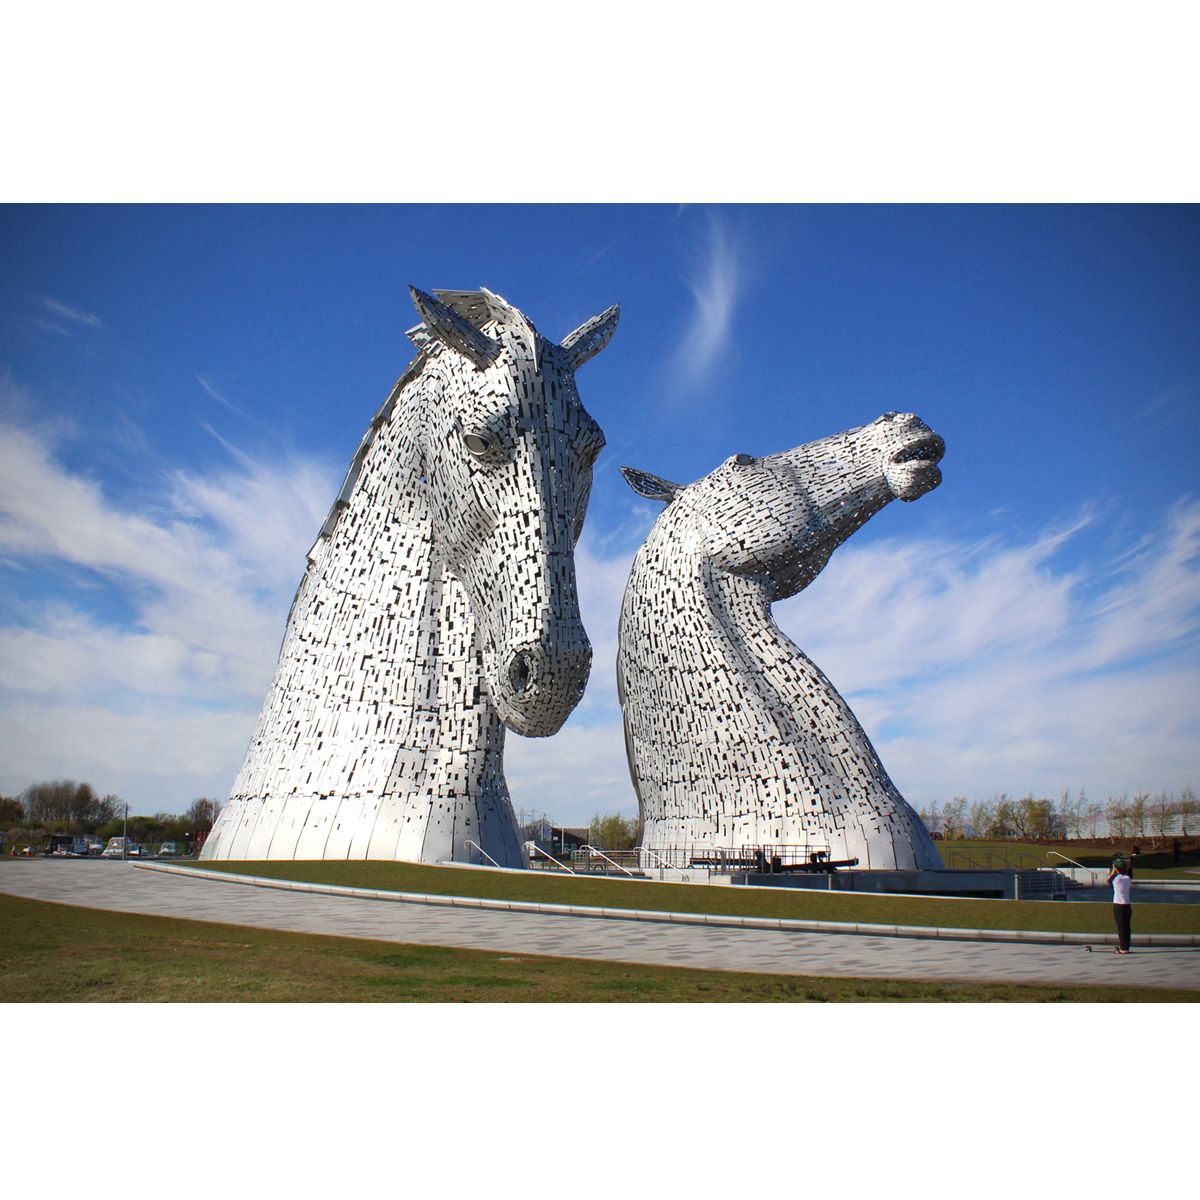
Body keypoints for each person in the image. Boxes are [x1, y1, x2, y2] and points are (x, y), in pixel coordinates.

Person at [1107, 855, 1133, 954]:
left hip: (1118, 905)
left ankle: (1123, 949)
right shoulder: (1128, 878)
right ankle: (1126, 947)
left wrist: (1114, 869)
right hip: (1127, 905)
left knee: (1121, 927)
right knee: (1127, 927)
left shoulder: (1116, 879)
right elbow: (1129, 872)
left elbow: (1108, 880)